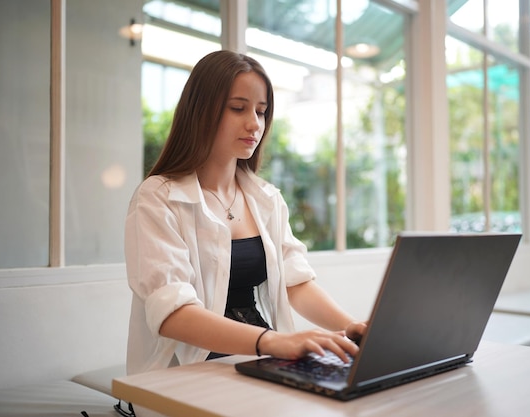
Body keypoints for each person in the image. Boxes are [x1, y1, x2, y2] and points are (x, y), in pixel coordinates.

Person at [124, 50, 367, 394]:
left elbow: (295, 281)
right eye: (238, 108)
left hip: (257, 356)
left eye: (261, 111)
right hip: (193, 368)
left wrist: (354, 329)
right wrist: (273, 342)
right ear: (201, 110)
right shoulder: (157, 197)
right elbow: (173, 313)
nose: (254, 123)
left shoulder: (266, 199)